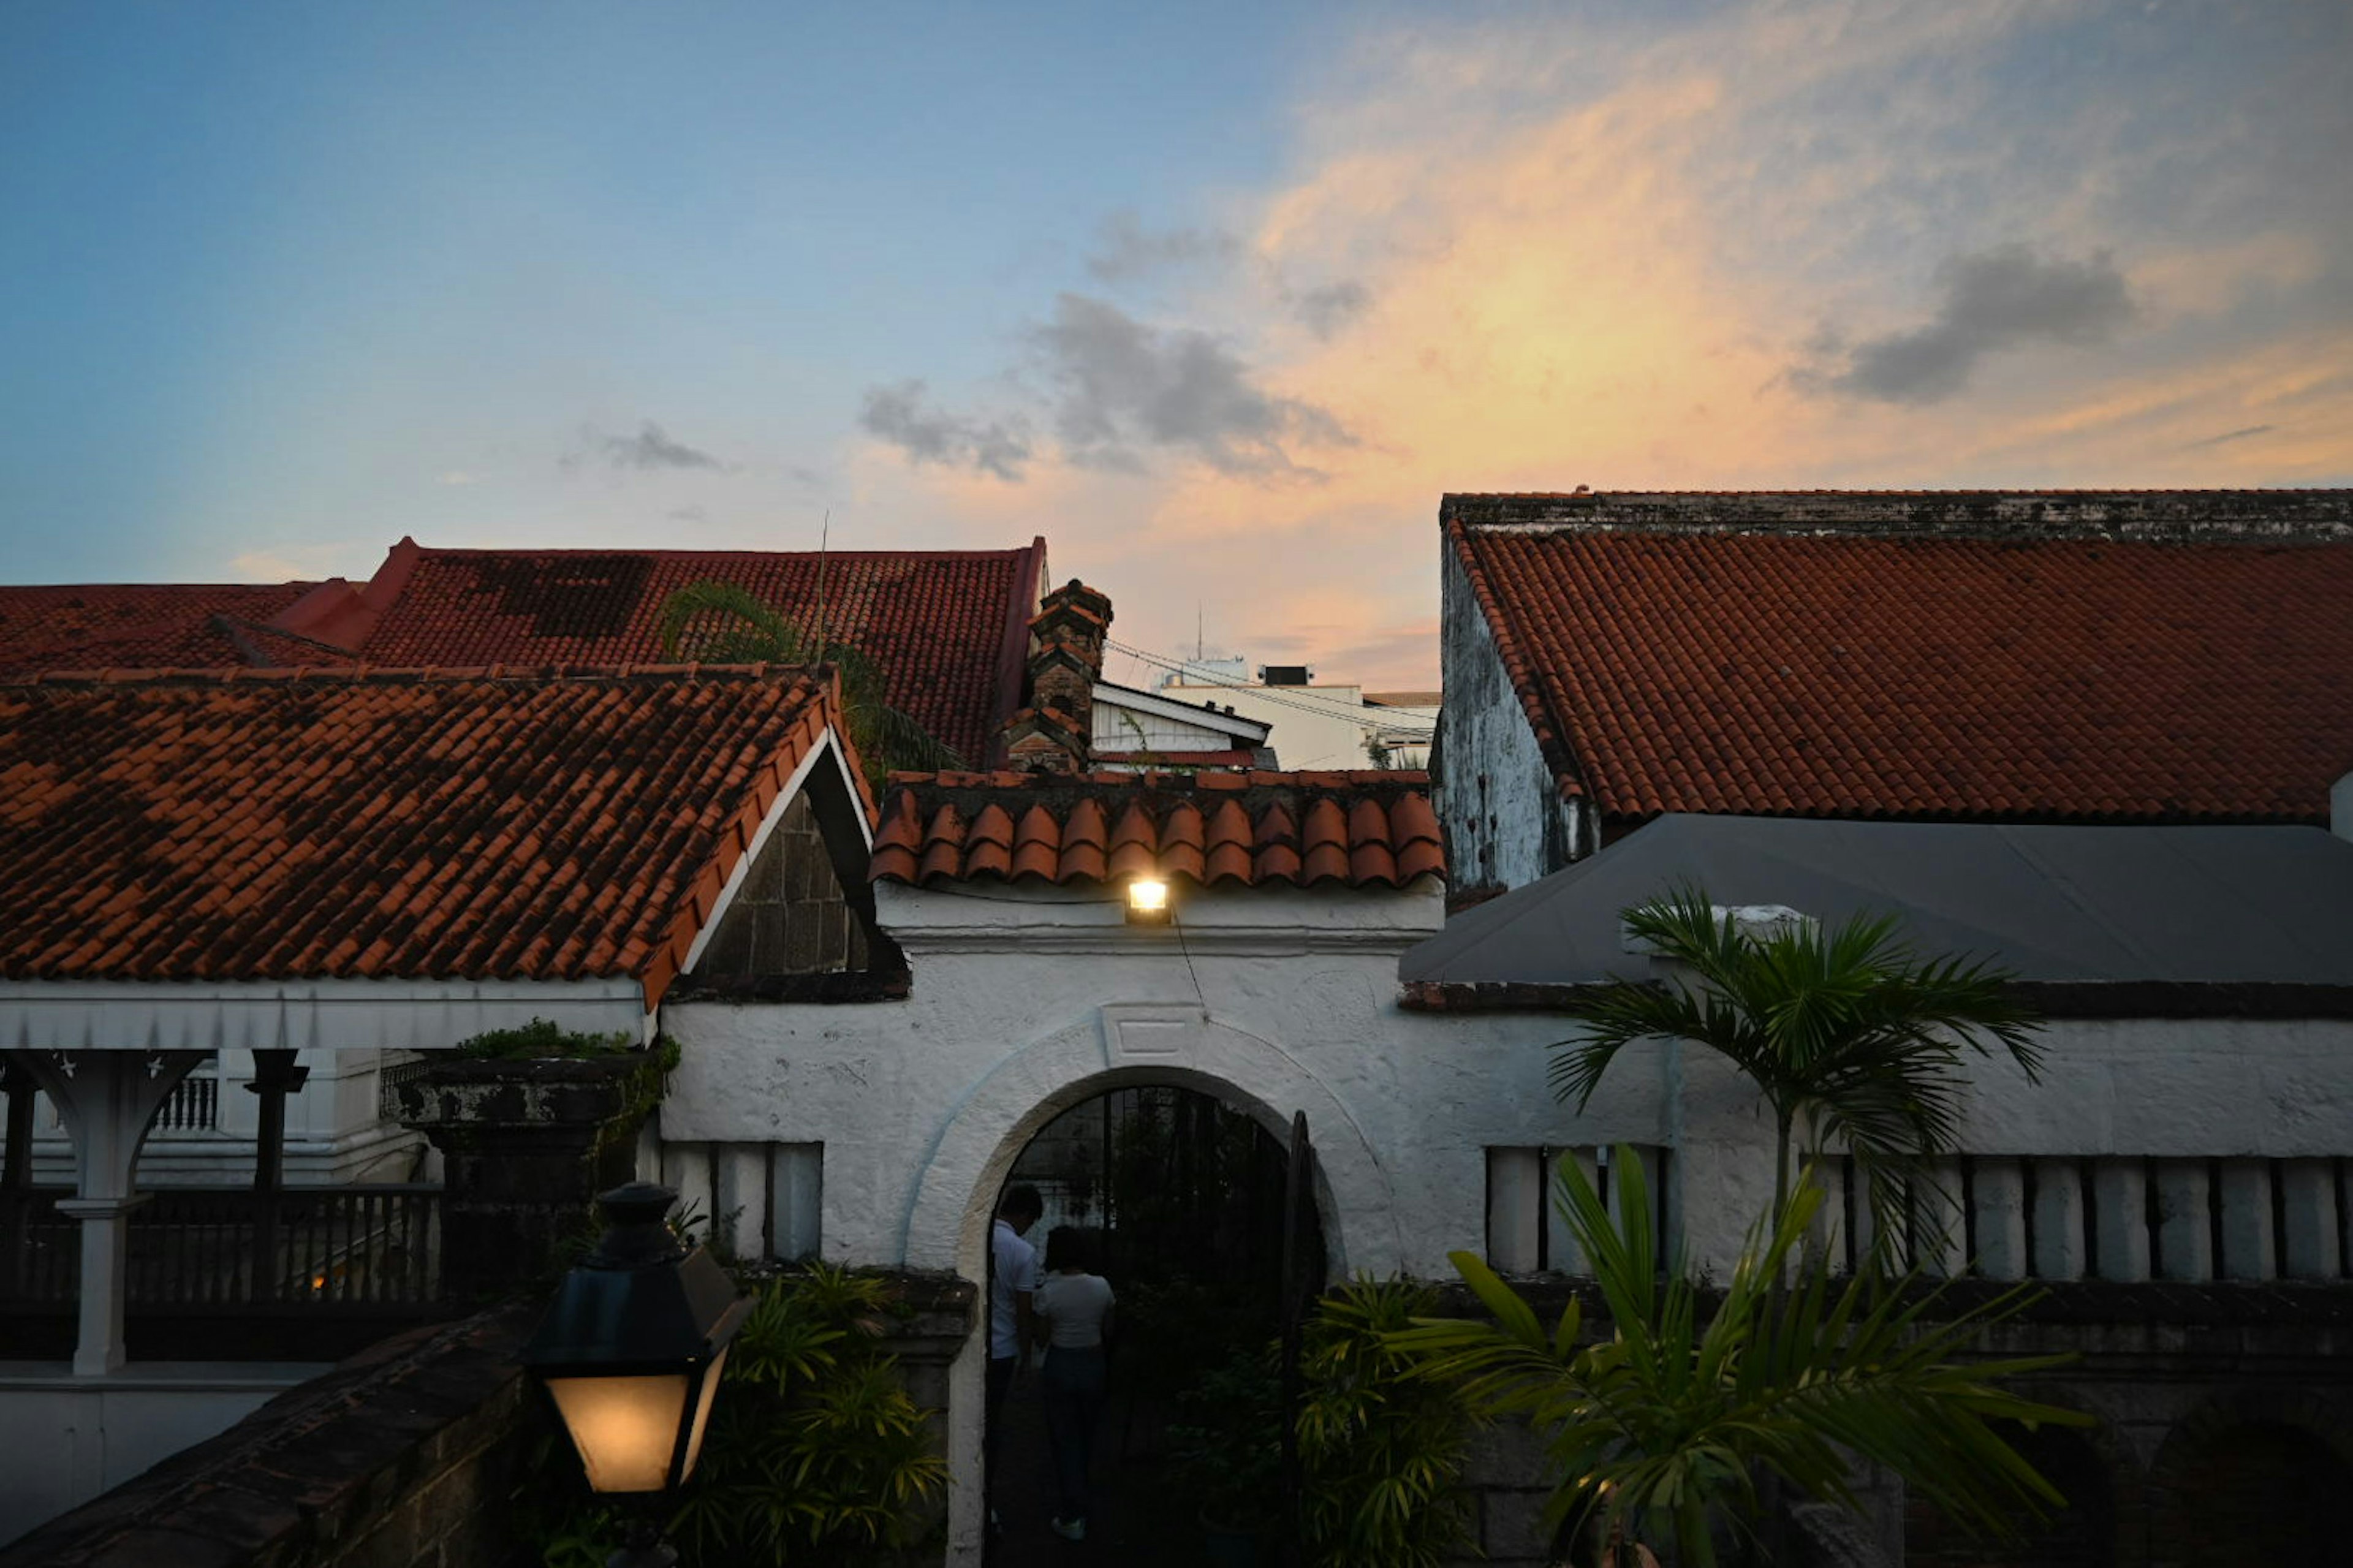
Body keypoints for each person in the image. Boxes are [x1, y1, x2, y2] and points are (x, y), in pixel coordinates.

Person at [1031, 1225, 1116, 1543]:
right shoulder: (1101, 1287)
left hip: (1061, 1364)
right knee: (1087, 1433)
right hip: (1094, 1363)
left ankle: (1073, 1511)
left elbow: (1041, 1338)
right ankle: (1083, 1495)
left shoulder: (1049, 1292)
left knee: (1065, 1439)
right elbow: (1109, 1329)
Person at [985, 1183, 1045, 1529]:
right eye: (1031, 1222)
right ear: (1024, 1215)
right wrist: (1027, 1355)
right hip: (1005, 1348)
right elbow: (1025, 1311)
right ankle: (986, 1496)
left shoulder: (978, 1236)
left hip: (978, 1344)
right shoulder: (1022, 1251)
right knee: (994, 1423)